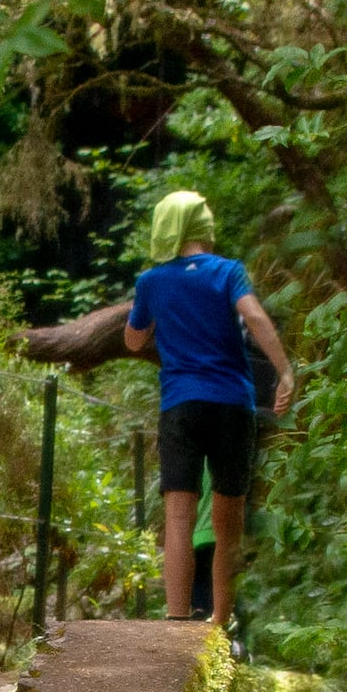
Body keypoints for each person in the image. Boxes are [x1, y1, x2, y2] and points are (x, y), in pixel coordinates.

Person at [111, 190, 293, 634]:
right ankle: (219, 622)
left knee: (179, 517)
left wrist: (156, 320)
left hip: (181, 405)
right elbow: (255, 318)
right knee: (227, 521)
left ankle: (176, 620)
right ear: (205, 230)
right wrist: (285, 371)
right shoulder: (229, 272)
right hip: (232, 404)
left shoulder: (152, 282)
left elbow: (132, 340)